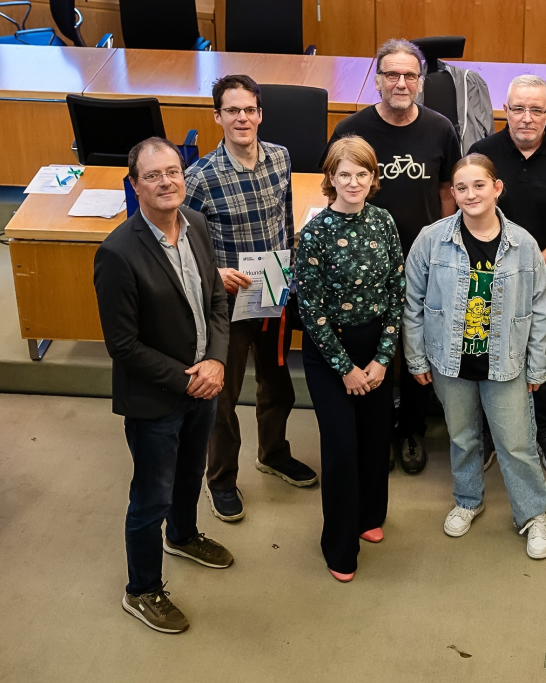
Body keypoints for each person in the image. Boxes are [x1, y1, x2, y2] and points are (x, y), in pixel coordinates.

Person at [94, 138, 232, 634]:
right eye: (153, 175)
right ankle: (142, 589)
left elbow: (217, 300)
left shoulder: (196, 223)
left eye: (173, 171)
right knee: (151, 495)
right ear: (135, 184)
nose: (166, 181)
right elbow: (123, 345)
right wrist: (187, 379)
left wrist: (215, 361)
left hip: (204, 384)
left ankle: (185, 534)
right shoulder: (117, 253)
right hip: (157, 398)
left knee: (191, 472)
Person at [403, 153, 546, 559]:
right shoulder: (431, 239)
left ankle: (533, 514)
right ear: (452, 193)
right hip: (450, 361)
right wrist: (417, 358)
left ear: (497, 188)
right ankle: (468, 499)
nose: (471, 194)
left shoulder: (523, 244)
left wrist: (538, 363)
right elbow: (412, 302)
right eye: (462, 188)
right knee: (462, 437)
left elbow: (542, 305)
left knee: (516, 443)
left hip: (505, 362)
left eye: (480, 185)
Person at [323, 39, 462, 475]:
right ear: (378, 80)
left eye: (409, 75)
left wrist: (442, 247)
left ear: (420, 82)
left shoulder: (441, 128)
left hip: (423, 263)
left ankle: (412, 431)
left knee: (416, 348)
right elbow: (331, 189)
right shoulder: (352, 129)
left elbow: (447, 193)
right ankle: (378, 431)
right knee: (373, 350)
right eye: (391, 75)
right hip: (365, 268)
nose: (400, 83)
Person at [184, 74, 316, 523]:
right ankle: (220, 479)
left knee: (277, 384)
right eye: (232, 110)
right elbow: (181, 243)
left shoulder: (280, 158)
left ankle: (273, 454)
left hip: (275, 293)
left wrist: (293, 264)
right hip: (228, 303)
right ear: (217, 116)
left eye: (250, 110)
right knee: (222, 396)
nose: (243, 118)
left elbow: (286, 221)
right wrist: (213, 274)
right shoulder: (199, 178)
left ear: (260, 113)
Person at [467, 74, 546, 475]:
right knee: (486, 361)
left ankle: (545, 431)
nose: (526, 117)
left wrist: (527, 267)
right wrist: (504, 271)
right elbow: (466, 218)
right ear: (506, 110)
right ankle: (488, 434)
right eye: (518, 108)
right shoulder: (481, 153)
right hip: (486, 285)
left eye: (536, 109)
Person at [295, 136, 406, 582]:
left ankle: (367, 516)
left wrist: (381, 360)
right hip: (330, 355)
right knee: (341, 448)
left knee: (375, 439)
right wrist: (346, 370)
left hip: (376, 348)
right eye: (345, 174)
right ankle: (338, 546)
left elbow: (398, 293)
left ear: (373, 178)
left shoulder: (384, 221)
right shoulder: (315, 233)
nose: (354, 182)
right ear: (330, 179)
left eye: (363, 173)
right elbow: (311, 311)